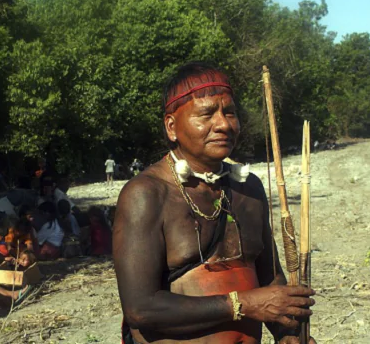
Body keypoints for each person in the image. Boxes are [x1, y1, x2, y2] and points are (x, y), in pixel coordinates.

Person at [113, 62, 315, 344]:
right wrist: (242, 304)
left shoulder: (249, 189)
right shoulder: (147, 194)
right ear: (171, 127)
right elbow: (141, 309)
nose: (223, 124)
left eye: (230, 112)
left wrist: (286, 333)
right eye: (206, 114)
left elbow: (271, 280)